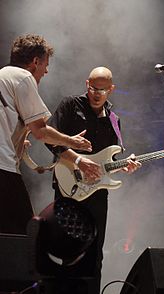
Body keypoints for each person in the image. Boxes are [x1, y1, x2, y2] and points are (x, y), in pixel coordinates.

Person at [46, 66, 141, 294]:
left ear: (111, 89)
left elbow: (110, 160)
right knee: (68, 251)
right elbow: (48, 136)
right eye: (93, 88)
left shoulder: (114, 119)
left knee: (95, 253)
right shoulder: (70, 105)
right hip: (69, 187)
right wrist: (78, 160)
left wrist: (125, 165)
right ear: (86, 84)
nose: (97, 94)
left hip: (97, 194)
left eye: (103, 89)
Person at [0, 34, 101, 235]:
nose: (45, 71)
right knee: (22, 236)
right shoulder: (23, 77)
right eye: (45, 65)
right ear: (35, 61)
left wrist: (18, 141)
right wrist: (71, 141)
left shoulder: (3, 75)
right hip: (3, 169)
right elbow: (41, 131)